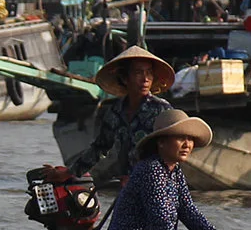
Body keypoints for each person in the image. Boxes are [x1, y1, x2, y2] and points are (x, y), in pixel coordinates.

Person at [96, 108, 234, 230]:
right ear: (161, 143)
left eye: (190, 139)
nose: (187, 144)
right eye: (180, 138)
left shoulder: (174, 171)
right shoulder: (151, 170)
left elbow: (189, 212)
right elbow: (161, 223)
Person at [68, 44, 177, 177]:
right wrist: (70, 172)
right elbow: (100, 148)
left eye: (149, 72)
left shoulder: (161, 109)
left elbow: (173, 151)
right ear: (125, 78)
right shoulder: (115, 112)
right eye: (138, 73)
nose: (145, 79)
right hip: (127, 184)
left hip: (157, 183)